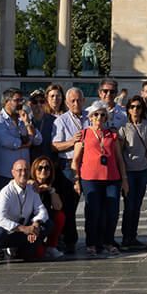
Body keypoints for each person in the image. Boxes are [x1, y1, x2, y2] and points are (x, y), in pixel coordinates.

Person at [72, 101, 123, 255]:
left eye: (102, 114)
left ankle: (108, 241)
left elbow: (119, 158)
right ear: (90, 117)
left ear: (106, 117)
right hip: (90, 178)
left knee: (112, 211)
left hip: (112, 178)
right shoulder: (84, 134)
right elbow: (75, 160)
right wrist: (76, 180)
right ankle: (92, 243)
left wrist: (125, 179)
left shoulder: (112, 135)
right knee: (93, 211)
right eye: (96, 114)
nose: (99, 117)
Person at [0, 159, 49, 264]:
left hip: (21, 231)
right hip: (5, 231)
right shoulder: (6, 192)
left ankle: (23, 251)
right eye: (19, 170)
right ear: (13, 173)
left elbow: (42, 210)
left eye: (26, 170)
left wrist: (35, 224)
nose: (23, 173)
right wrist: (24, 229)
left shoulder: (32, 189)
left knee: (47, 224)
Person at [50, 87, 86, 254]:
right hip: (68, 165)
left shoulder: (90, 117)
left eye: (79, 100)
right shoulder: (61, 120)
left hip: (88, 164)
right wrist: (72, 142)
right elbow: (55, 145)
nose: (76, 103)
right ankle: (68, 239)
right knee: (69, 205)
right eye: (72, 101)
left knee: (90, 204)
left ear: (83, 101)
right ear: (67, 102)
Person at [119, 95, 147, 250]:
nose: (135, 110)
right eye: (132, 107)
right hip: (129, 170)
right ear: (128, 109)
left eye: (138, 107)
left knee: (138, 204)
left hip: (143, 169)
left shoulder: (146, 124)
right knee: (129, 205)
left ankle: (133, 236)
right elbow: (120, 149)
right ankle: (126, 237)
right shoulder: (124, 126)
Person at [0, 88, 34, 189]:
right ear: (6, 102)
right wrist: (26, 144)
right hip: (6, 175)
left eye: (21, 100)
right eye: (17, 100)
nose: (20, 103)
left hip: (24, 175)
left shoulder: (23, 119)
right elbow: (7, 142)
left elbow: (37, 139)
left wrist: (27, 123)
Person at [28, 156, 66, 259]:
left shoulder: (52, 185)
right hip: (30, 221)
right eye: (40, 168)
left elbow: (58, 207)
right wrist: (30, 184)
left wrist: (51, 190)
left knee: (60, 216)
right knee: (38, 254)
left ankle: (51, 246)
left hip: (45, 220)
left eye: (47, 168)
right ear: (34, 170)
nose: (43, 170)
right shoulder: (29, 184)